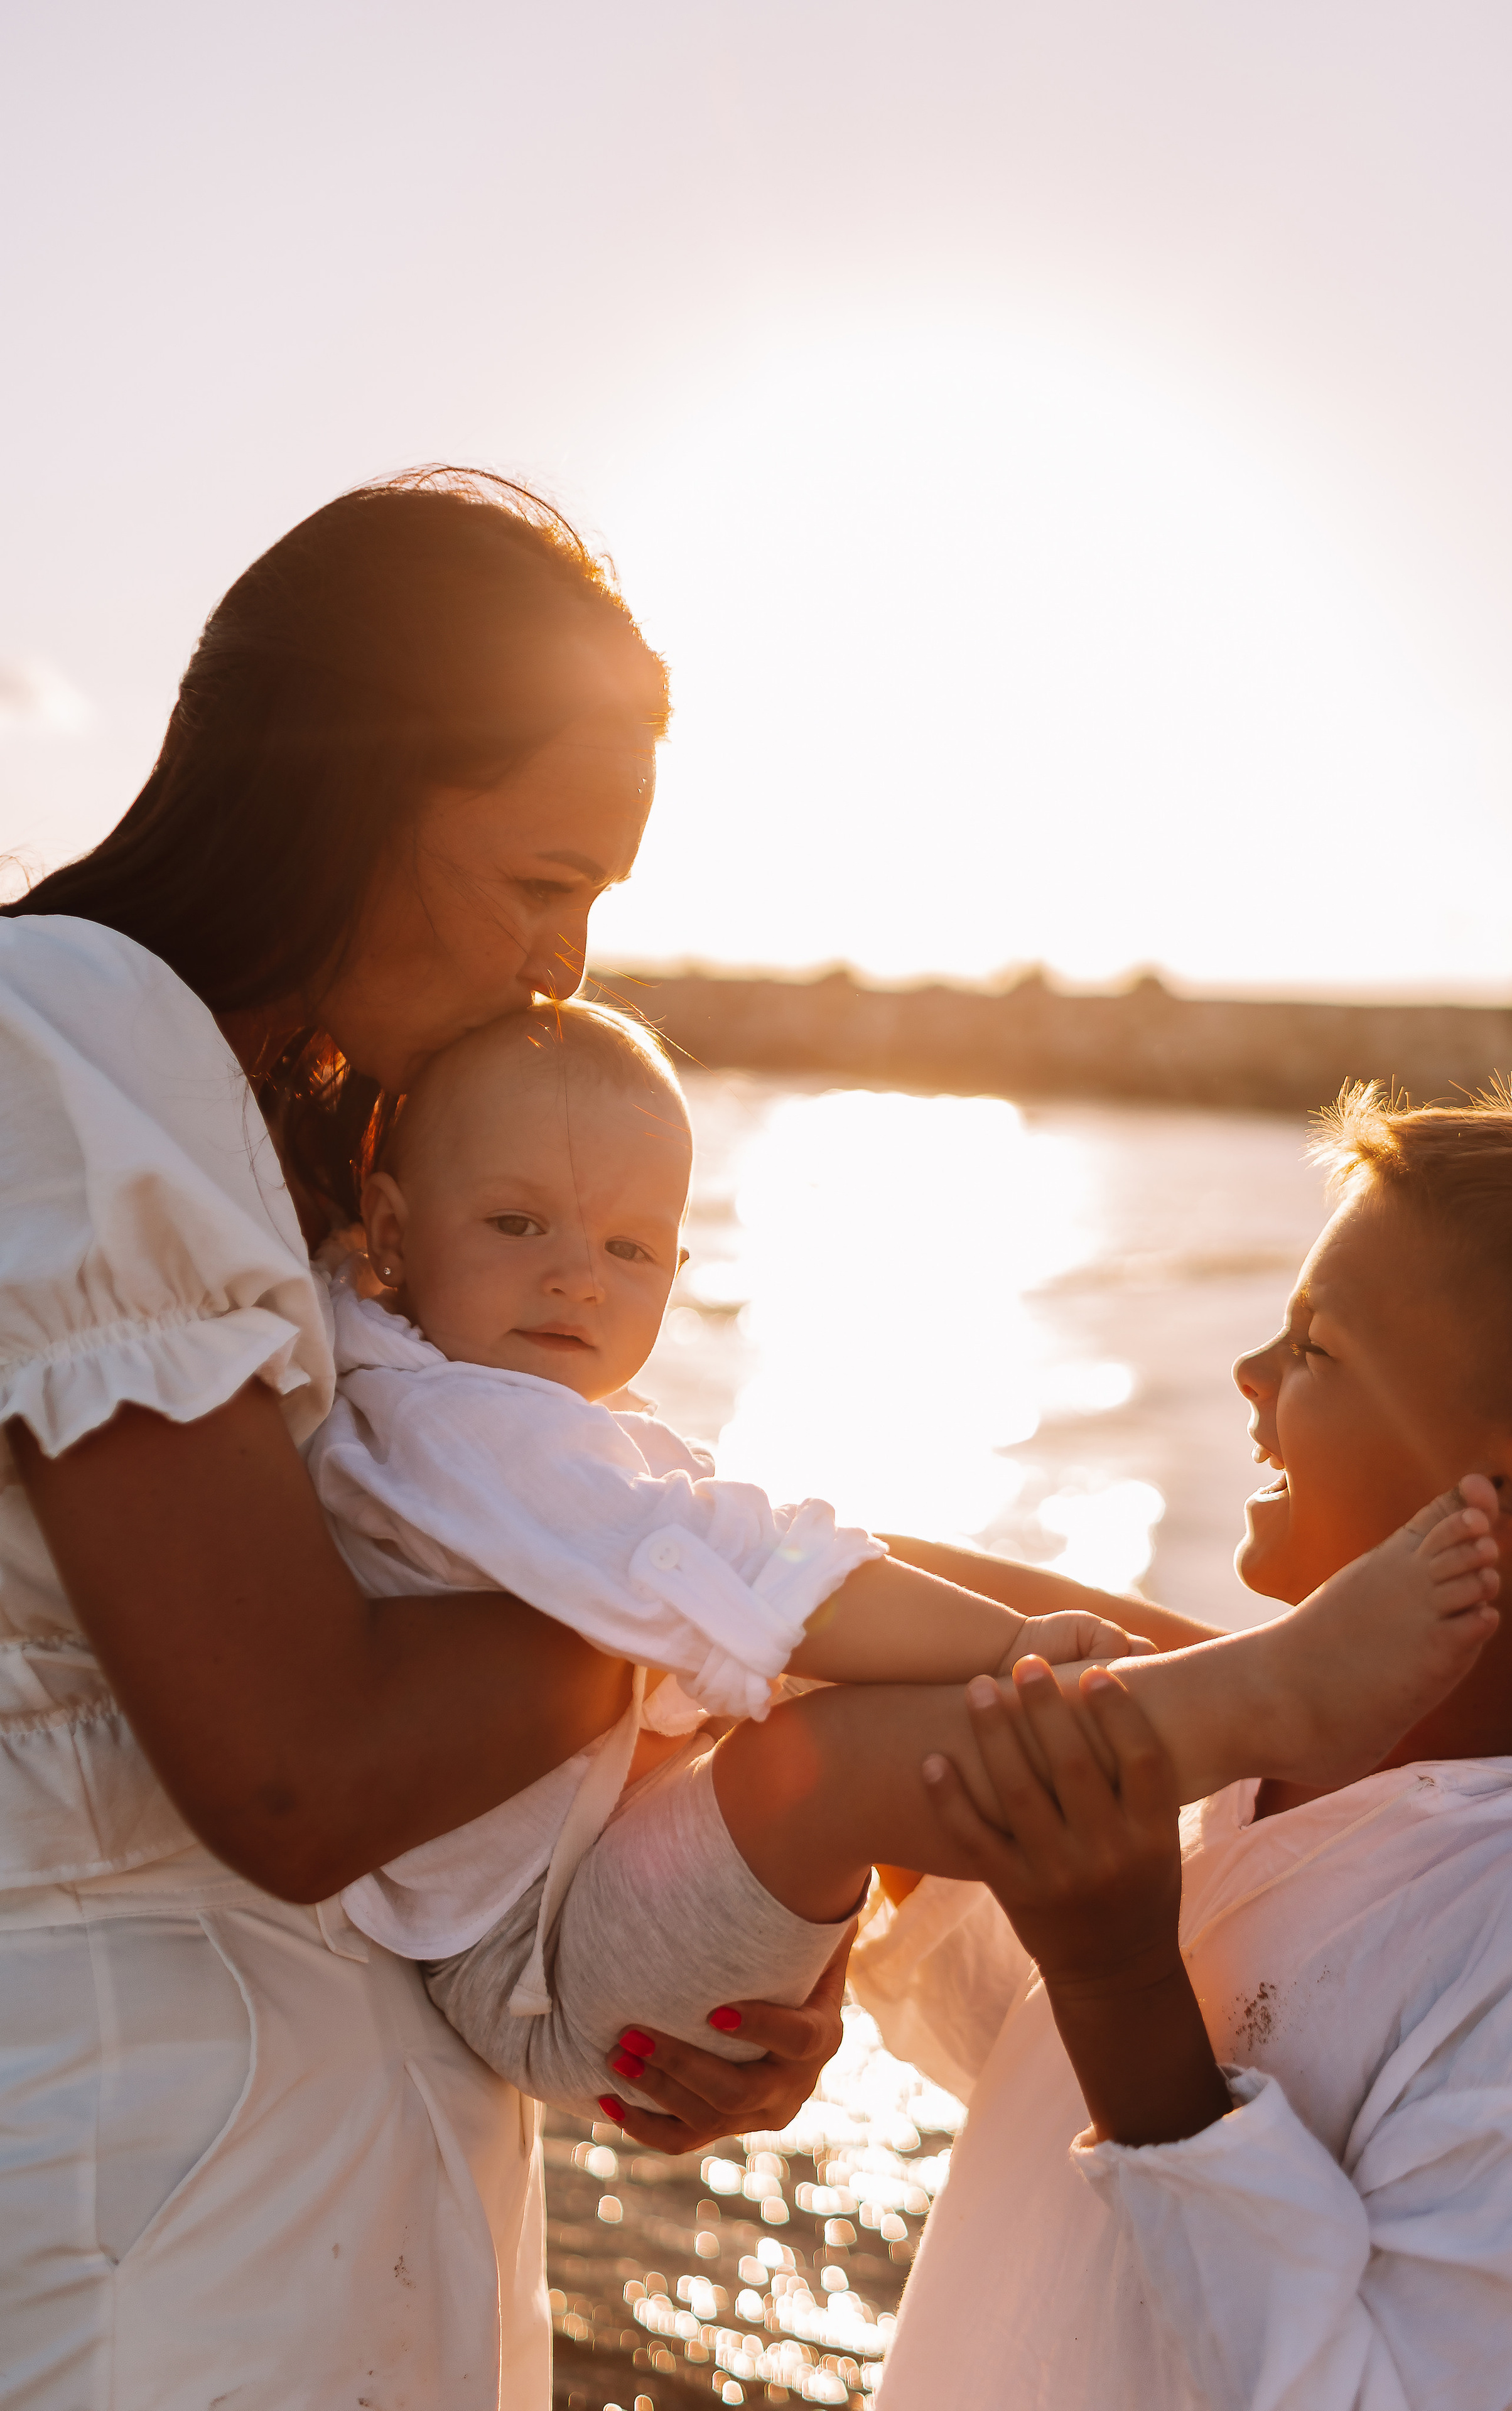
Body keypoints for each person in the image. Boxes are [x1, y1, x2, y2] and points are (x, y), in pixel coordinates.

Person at [0, 471, 848, 2411]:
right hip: (141, 2249)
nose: (563, 968)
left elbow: (425, 1748)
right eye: (541, 882)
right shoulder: (64, 1030)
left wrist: (669, 1971)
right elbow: (299, 1772)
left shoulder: (310, 1161)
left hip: (344, 2216)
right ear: (351, 790)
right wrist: (703, 1601)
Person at [307, 1000, 1500, 2122]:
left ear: (678, 1275)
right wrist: (1016, 1647)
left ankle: (1218, 1706)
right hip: (533, 1968)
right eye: (519, 1224)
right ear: (395, 1231)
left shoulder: (457, 1388)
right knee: (828, 1746)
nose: (575, 1274)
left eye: (628, 1247)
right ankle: (1253, 1704)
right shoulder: (468, 1430)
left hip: (568, 1897)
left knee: (843, 1665)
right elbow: (736, 1567)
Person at [853, 1086, 1512, 2411]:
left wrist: (1121, 1978)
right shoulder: (1247, 1763)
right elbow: (1033, 2083)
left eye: (1314, 1347)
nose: (1249, 1376)